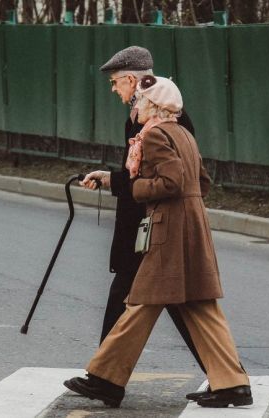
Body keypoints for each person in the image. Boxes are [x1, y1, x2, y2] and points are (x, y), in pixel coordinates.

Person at [65, 75, 253, 409]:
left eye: (138, 100)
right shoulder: (182, 134)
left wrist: (138, 191)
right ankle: (233, 384)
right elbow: (201, 181)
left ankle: (106, 379)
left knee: (140, 303)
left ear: (152, 105)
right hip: (191, 225)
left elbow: (172, 181)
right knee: (200, 305)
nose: (134, 106)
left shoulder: (154, 136)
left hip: (168, 230)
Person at [79, 46, 210, 401]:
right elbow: (138, 174)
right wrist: (110, 177)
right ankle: (105, 379)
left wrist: (114, 180)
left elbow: (168, 179)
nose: (114, 90)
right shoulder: (144, 119)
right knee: (159, 303)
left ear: (133, 80)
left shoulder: (160, 123)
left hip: (154, 228)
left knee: (154, 302)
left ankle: (105, 379)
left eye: (116, 82)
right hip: (147, 226)